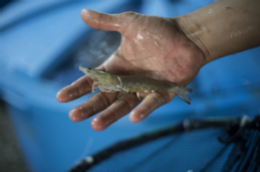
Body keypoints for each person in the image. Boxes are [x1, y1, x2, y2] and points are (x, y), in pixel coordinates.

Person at [56, 0, 260, 131]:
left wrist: (191, 35)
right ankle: (176, 88)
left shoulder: (113, 81)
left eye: (93, 74)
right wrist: (191, 35)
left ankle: (176, 89)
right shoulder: (111, 81)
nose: (93, 75)